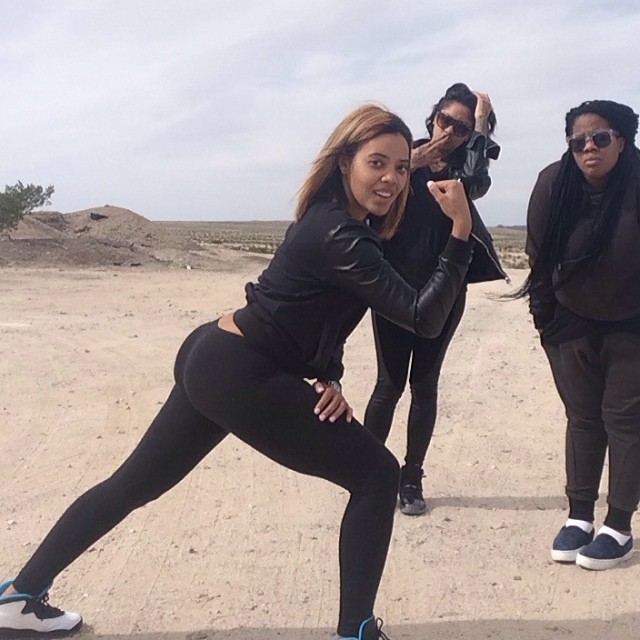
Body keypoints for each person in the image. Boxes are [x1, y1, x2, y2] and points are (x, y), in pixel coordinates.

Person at [0, 104, 474, 640]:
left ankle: (19, 596)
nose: (389, 178)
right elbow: (422, 318)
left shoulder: (334, 219)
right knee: (378, 475)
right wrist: (461, 228)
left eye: (398, 167)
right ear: (346, 163)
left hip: (218, 355)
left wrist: (330, 376)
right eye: (376, 164)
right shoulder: (342, 235)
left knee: (134, 483)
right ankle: (357, 631)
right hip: (241, 369)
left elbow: (321, 313)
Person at [364, 83, 507, 516]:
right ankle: (367, 472)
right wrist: (415, 161)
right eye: (446, 120)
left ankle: (411, 479)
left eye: (462, 128)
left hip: (445, 291)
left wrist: (480, 127)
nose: (451, 131)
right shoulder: (401, 163)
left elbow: (478, 181)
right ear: (432, 120)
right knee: (388, 385)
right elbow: (365, 190)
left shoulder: (463, 174)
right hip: (392, 289)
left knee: (424, 386)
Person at [521, 99, 640, 571]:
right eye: (578, 141)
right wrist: (544, 322)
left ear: (622, 139)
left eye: (600, 138)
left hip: (633, 325)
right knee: (583, 420)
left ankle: (619, 525)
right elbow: (538, 254)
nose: (588, 147)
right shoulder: (554, 183)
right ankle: (580, 516)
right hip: (570, 324)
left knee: (626, 422)